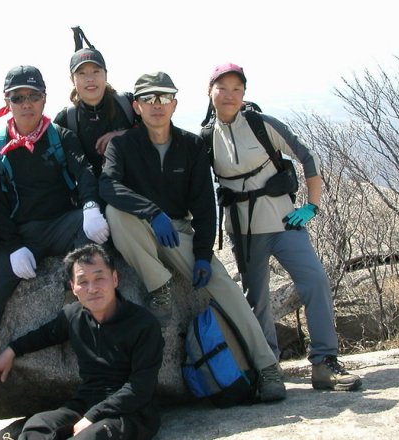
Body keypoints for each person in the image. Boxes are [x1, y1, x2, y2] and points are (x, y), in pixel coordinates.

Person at [99, 71, 286, 402]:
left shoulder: (191, 145)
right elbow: (108, 185)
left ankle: (267, 367)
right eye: (148, 98)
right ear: (137, 106)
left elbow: (203, 205)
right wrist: (151, 212)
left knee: (224, 285)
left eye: (164, 97)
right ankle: (159, 286)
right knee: (116, 212)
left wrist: (202, 254)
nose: (157, 105)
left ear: (174, 104)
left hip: (179, 233)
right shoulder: (122, 146)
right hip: (141, 227)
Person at [0, 65, 110, 419]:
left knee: (92, 252)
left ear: (44, 99)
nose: (26, 103)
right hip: (22, 234)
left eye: (33, 96)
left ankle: (88, 325)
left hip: (64, 222)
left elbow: (84, 174)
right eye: (18, 97)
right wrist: (14, 245)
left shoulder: (61, 137)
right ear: (7, 102)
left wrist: (90, 207)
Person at [203, 62, 362, 391]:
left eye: (237, 89)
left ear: (244, 93)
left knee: (315, 281)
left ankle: (324, 363)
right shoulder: (205, 138)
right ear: (210, 92)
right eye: (223, 88)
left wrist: (311, 206)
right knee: (256, 299)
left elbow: (307, 157)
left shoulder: (262, 125)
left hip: (284, 222)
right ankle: (269, 368)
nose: (230, 95)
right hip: (243, 231)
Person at [0, 243, 164, 440]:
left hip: (133, 413)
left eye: (99, 278)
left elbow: (140, 388)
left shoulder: (143, 324)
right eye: (83, 281)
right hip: (86, 401)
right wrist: (11, 350)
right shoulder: (73, 315)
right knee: (40, 423)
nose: (92, 288)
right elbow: (44, 335)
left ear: (115, 279)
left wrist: (93, 417)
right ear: (73, 287)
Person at [54, 27, 137, 178]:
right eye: (81, 73)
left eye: (96, 71)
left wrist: (124, 135)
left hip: (134, 183)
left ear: (106, 75)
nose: (90, 79)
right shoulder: (66, 119)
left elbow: (160, 132)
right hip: (91, 188)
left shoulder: (128, 103)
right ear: (72, 79)